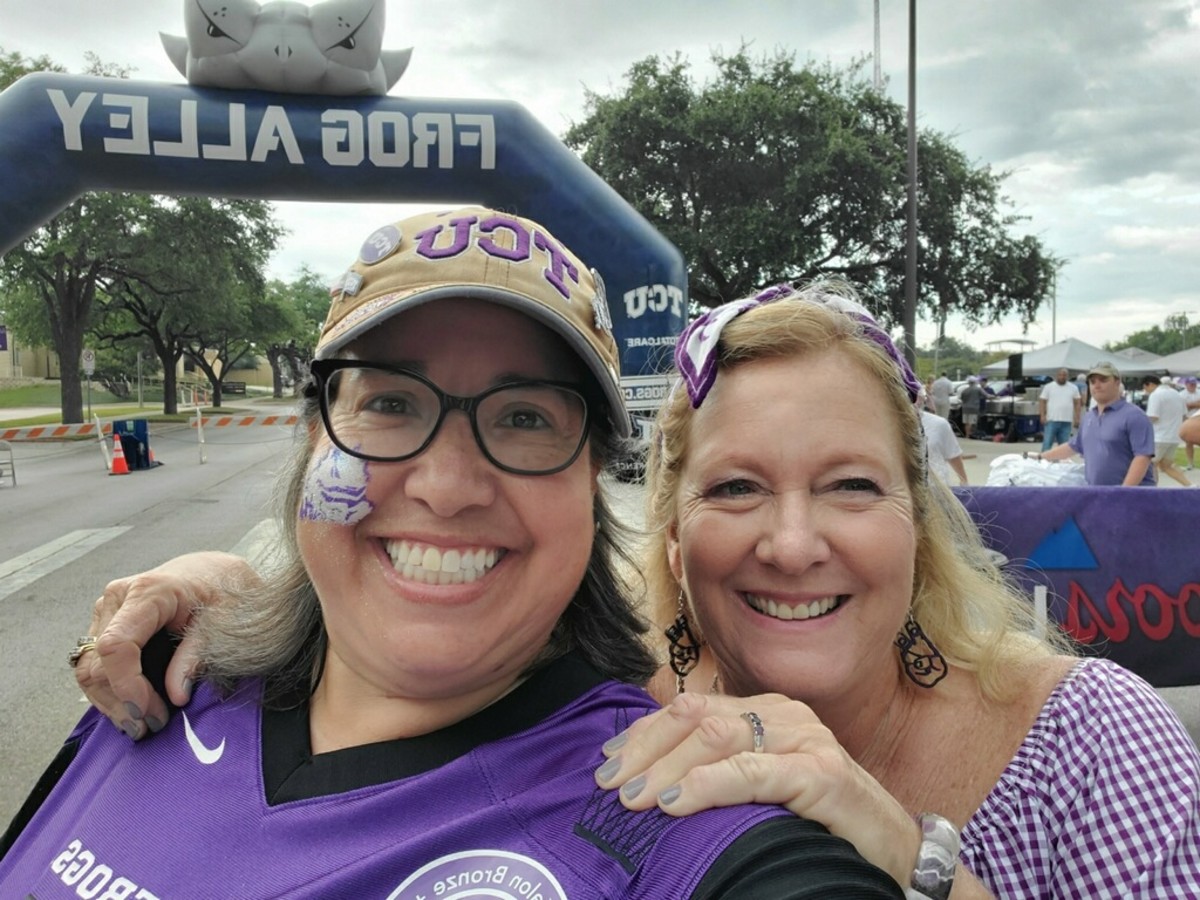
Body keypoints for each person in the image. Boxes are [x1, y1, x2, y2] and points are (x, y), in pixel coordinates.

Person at [72, 281, 1200, 898]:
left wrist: (911, 856)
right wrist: (221, 586)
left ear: (919, 518)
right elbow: (417, 604)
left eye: (851, 487)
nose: (793, 542)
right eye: (740, 487)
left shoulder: (1092, 743)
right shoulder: (623, 706)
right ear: (670, 531)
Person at [1, 210, 903, 899]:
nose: (446, 484)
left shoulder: (666, 815)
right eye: (390, 403)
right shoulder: (153, 670)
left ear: (591, 486)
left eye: (524, 418)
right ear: (314, 437)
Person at [1033, 361, 1155, 486]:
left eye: (1103, 380)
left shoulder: (1134, 416)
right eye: (1092, 382)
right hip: (1099, 496)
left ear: (1117, 382)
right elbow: (1073, 446)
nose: (1097, 385)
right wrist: (1040, 457)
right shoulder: (1090, 416)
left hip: (1131, 499)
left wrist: (1123, 493)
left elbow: (1142, 457)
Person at [1142, 374, 1193, 487]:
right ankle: (1190, 486)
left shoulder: (1156, 395)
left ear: (1149, 384)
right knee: (1166, 466)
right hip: (1174, 437)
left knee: (1151, 465)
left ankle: (1152, 490)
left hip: (1159, 436)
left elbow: (1153, 416)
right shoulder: (1177, 394)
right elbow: (1184, 415)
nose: (1146, 391)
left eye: (1145, 388)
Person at [917, 393, 968, 486]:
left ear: (921, 398)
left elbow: (953, 454)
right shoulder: (886, 426)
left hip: (937, 488)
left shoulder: (939, 424)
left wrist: (964, 481)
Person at [1037, 367, 1081, 450]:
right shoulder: (1048, 387)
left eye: (1064, 375)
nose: (1062, 377)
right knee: (1047, 443)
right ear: (1057, 375)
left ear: (1067, 376)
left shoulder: (1073, 388)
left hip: (1066, 421)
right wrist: (1042, 415)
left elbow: (1077, 403)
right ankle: (1044, 460)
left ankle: (1063, 462)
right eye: (1060, 375)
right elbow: (1042, 401)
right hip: (1051, 420)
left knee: (1064, 446)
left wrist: (1077, 418)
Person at [1183, 376, 1200, 469]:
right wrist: (1196, 404)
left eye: (1194, 384)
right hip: (1188, 419)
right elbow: (1183, 407)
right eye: (1191, 384)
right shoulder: (1181, 394)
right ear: (1186, 384)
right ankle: (1190, 463)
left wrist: (1191, 404)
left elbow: (1188, 406)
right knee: (1189, 443)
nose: (1193, 385)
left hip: (1198, 419)